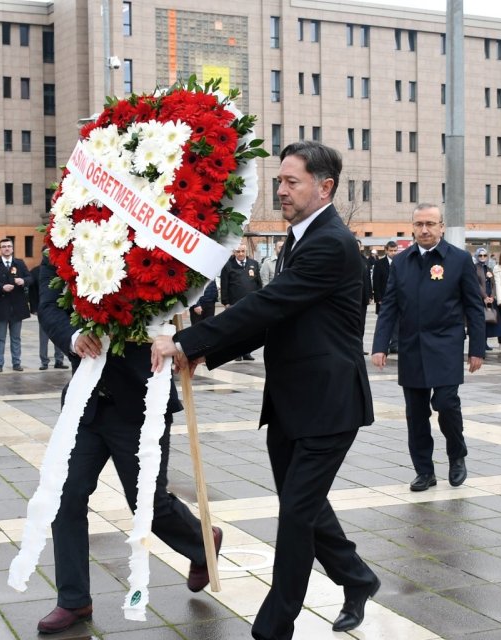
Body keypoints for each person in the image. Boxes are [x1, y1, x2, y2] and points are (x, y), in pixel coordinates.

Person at [150, 141, 382, 639]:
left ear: (325, 188)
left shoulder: (330, 242)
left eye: (291, 182)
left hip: (329, 403)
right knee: (307, 505)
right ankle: (357, 578)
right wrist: (203, 353)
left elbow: (271, 303)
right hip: (291, 401)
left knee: (296, 514)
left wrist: (187, 340)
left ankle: (275, 625)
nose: (280, 190)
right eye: (279, 181)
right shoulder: (300, 237)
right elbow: (281, 318)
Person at [33, 258, 221, 636]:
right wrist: (72, 337)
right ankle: (73, 599)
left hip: (140, 396)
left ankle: (203, 542)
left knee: (147, 503)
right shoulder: (70, 238)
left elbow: (186, 286)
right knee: (64, 498)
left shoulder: (148, 235)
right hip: (87, 399)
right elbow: (49, 303)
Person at [372, 202, 486, 491]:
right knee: (416, 413)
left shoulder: (459, 260)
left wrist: (477, 348)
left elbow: (474, 306)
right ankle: (424, 471)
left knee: (446, 404)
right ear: (412, 227)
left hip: (446, 344)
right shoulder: (401, 262)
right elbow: (390, 307)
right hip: (411, 347)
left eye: (430, 224)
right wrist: (379, 345)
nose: (424, 229)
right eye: (419, 224)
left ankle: (457, 454)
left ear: (441, 227)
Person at [0, 238, 33, 372]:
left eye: (9, 246)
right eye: (3, 246)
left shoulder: (19, 263)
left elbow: (30, 278)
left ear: (12, 248)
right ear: (0, 249)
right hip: (1, 306)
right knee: (0, 337)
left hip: (17, 306)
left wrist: (22, 280)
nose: (6, 248)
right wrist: (2, 287)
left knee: (16, 337)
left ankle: (16, 363)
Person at [219, 244, 264, 361]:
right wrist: (226, 302)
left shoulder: (253, 264)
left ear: (246, 251)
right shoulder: (228, 266)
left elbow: (259, 283)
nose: (241, 254)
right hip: (235, 303)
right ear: (234, 252)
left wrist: (260, 299)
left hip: (251, 303)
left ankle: (247, 352)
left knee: (249, 329)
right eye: (238, 251)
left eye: (243, 251)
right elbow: (224, 285)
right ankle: (236, 353)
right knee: (236, 329)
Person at [28, 254, 67, 371]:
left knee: (60, 335)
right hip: (43, 309)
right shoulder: (35, 271)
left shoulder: (61, 269)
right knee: (43, 337)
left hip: (60, 308)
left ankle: (59, 360)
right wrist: (34, 308)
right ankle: (44, 361)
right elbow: (32, 291)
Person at [474, 247, 501, 350]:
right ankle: (480, 343)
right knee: (480, 322)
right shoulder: (474, 267)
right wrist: (484, 296)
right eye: (480, 255)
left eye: (484, 255)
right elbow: (476, 284)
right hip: (480, 298)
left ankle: (485, 342)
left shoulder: (489, 268)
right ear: (477, 256)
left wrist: (492, 296)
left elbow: (493, 283)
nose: (482, 257)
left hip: (490, 298)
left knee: (487, 321)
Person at [372, 241, 398, 318]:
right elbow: (376, 281)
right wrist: (378, 298)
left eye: (395, 250)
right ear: (386, 250)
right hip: (383, 298)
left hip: (397, 298)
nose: (393, 253)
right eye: (391, 250)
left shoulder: (400, 262)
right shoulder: (379, 263)